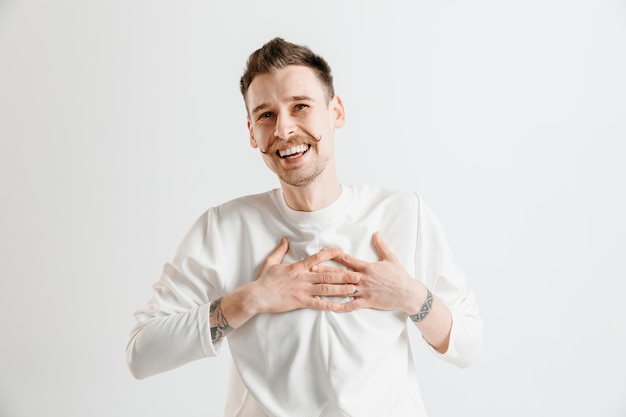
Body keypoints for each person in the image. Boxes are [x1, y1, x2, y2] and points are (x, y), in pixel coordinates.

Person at [126, 37, 483, 416]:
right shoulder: (224, 228)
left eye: (300, 107)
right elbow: (141, 353)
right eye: (266, 115)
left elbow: (468, 345)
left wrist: (410, 295)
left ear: (336, 112)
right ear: (251, 132)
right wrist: (251, 300)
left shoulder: (404, 214)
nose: (283, 129)